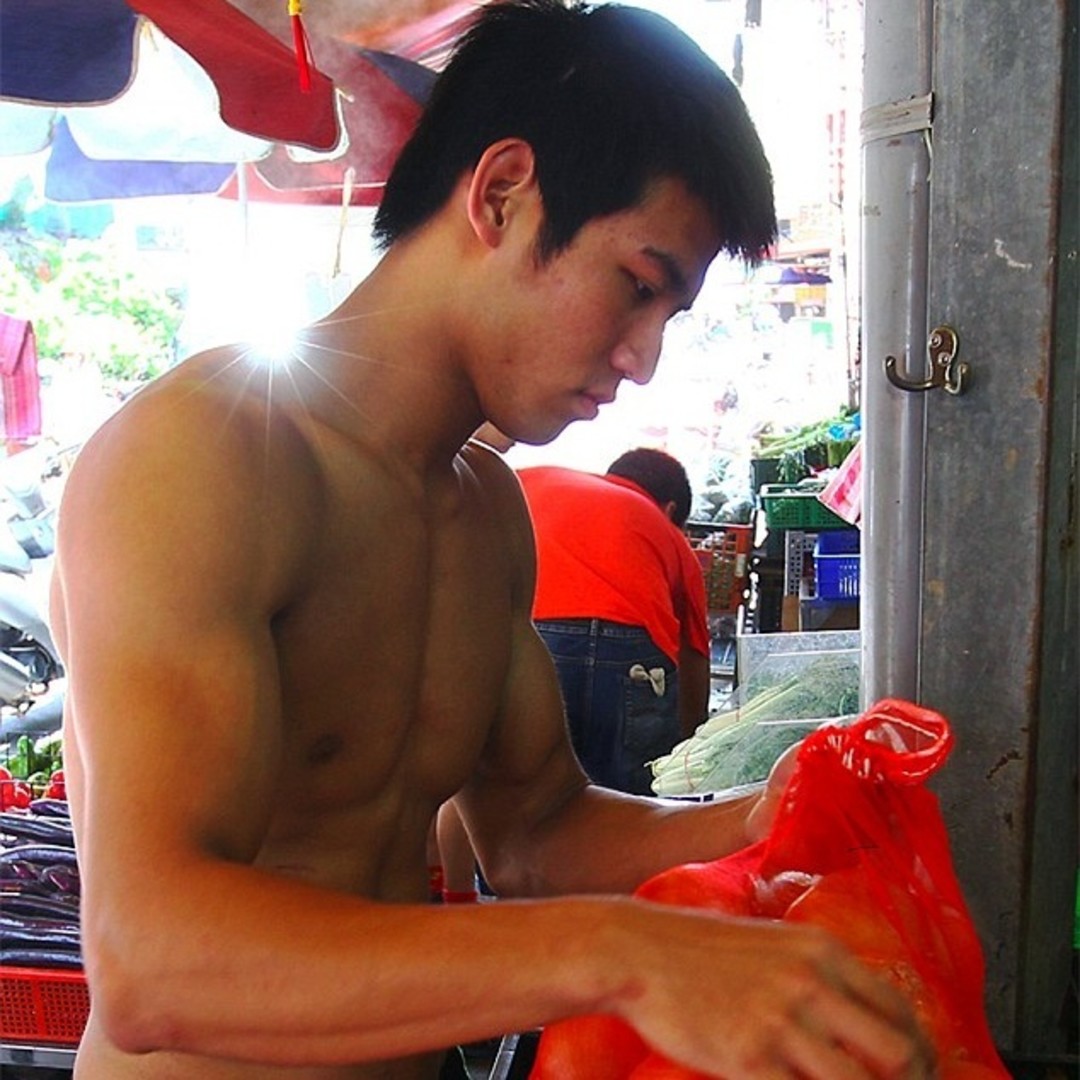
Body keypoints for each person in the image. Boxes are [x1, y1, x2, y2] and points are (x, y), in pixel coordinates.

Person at [50, 3, 934, 1079]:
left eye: (669, 316)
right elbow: (152, 963)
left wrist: (763, 814)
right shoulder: (204, 458)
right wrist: (625, 953)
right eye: (638, 285)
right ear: (503, 194)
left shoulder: (483, 511)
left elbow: (536, 836)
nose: (644, 358)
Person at [519, 449, 711, 794]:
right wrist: (692, 745)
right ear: (670, 510)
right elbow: (693, 655)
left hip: (535, 637)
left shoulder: (532, 480)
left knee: (533, 797)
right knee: (635, 800)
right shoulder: (669, 535)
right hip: (630, 650)